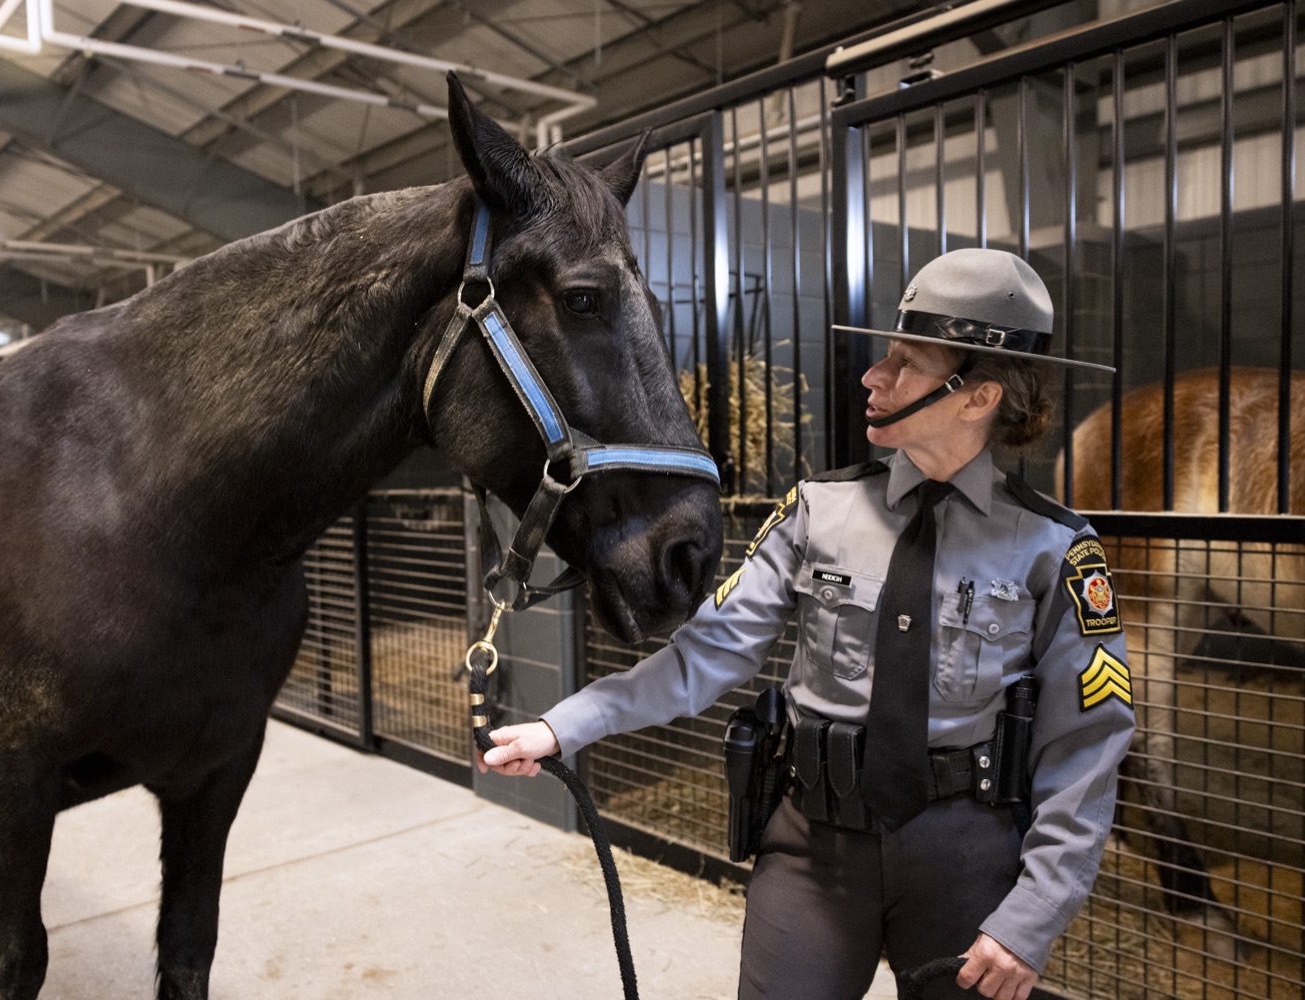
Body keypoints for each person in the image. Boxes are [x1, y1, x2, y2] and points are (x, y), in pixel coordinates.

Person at [479, 248, 1135, 1000]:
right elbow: (707, 656)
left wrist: (1034, 914)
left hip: (966, 856)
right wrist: (564, 727)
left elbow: (1088, 746)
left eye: (905, 365)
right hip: (813, 846)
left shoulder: (1057, 549)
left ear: (977, 397)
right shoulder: (818, 509)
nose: (872, 378)